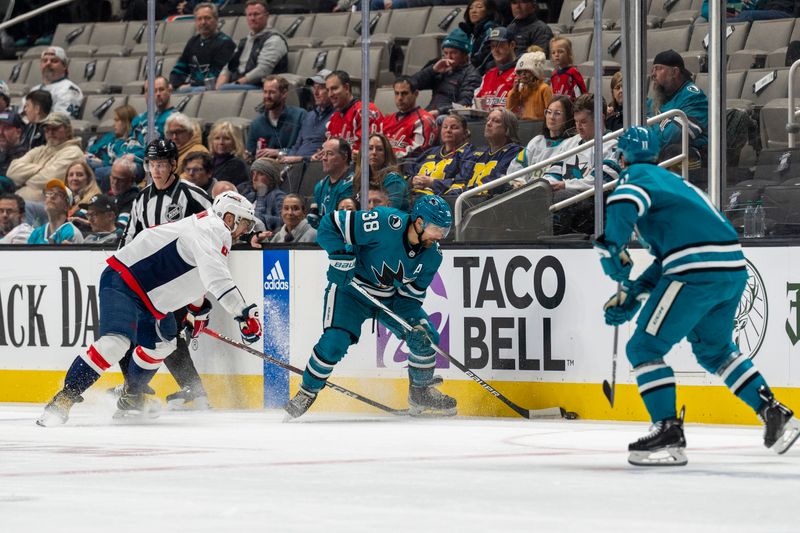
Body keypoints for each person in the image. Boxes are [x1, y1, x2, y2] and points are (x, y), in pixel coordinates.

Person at [595, 125, 800, 466]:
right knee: (715, 351)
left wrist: (612, 247)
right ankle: (772, 410)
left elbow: (624, 201)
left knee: (643, 348)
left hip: (696, 273)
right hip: (731, 271)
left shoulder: (633, 178)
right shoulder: (676, 183)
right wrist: (634, 292)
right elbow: (667, 258)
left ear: (622, 156)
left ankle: (668, 431)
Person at [36, 190, 263, 426]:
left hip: (151, 301)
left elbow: (200, 276)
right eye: (245, 224)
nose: (245, 231)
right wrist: (243, 313)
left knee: (164, 343)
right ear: (230, 218)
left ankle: (132, 395)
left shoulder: (208, 230)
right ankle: (63, 400)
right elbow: (217, 278)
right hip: (124, 282)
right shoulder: (213, 229)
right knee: (115, 344)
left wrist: (196, 311)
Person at [284, 195, 457, 419]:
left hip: (391, 299)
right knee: (335, 343)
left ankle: (420, 393)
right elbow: (330, 224)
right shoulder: (385, 222)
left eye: (444, 230)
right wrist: (340, 257)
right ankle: (307, 391)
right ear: (420, 222)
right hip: (351, 292)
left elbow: (410, 299)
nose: (440, 236)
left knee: (427, 337)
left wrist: (415, 329)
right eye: (436, 229)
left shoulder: (433, 256)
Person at [120, 139, 213, 410]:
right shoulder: (141, 199)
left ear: (173, 165)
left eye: (162, 164)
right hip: (149, 279)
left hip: (182, 277)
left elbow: (218, 224)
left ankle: (191, 389)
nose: (156, 170)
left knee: (166, 331)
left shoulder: (191, 194)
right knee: (130, 329)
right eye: (152, 164)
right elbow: (128, 240)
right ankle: (135, 390)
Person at [543, 93, 619, 235]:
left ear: (600, 118)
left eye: (583, 122)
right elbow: (553, 173)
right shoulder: (570, 143)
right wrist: (545, 185)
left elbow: (600, 181)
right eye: (576, 122)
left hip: (595, 205)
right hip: (566, 200)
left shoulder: (614, 144)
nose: (578, 127)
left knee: (561, 197)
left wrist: (565, 185)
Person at [441, 108, 522, 196]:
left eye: (496, 121)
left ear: (508, 129)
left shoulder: (514, 152)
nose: (488, 123)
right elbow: (461, 180)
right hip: (465, 200)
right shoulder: (477, 153)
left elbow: (496, 180)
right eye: (488, 120)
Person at [6, 112, 84, 203]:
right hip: (22, 202)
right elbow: (11, 171)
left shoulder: (73, 153)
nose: (50, 132)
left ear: (68, 130)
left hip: (53, 208)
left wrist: (23, 179)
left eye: (55, 128)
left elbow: (49, 181)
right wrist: (41, 169)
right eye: (47, 129)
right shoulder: (40, 150)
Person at [216, 0, 288, 90]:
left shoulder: (274, 40)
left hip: (262, 87)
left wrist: (236, 84)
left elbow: (263, 71)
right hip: (238, 85)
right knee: (197, 90)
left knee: (225, 89)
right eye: (249, 15)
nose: (252, 18)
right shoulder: (244, 41)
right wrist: (216, 89)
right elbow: (228, 68)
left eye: (256, 14)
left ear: (267, 15)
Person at [647, 49, 708, 156]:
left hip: (692, 159)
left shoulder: (693, 96)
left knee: (673, 150)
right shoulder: (655, 101)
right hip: (660, 155)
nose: (653, 74)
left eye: (658, 69)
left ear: (674, 72)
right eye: (652, 70)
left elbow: (674, 136)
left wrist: (648, 136)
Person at [411, 28, 482, 118]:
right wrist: (433, 70)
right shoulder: (440, 66)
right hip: (429, 113)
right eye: (445, 53)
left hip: (449, 117)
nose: (449, 57)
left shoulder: (472, 75)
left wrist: (439, 112)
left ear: (464, 54)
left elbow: (464, 104)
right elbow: (411, 84)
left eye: (453, 53)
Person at [508, 94, 574, 186]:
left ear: (568, 117)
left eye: (557, 113)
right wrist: (519, 182)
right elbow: (517, 165)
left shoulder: (571, 144)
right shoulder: (536, 141)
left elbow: (559, 177)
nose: (551, 117)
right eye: (549, 112)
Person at [169, 2, 236, 92]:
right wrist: (173, 84)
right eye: (199, 19)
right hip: (193, 87)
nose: (203, 22)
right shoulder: (193, 42)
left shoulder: (226, 43)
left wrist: (190, 85)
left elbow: (214, 77)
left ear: (216, 20)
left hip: (211, 89)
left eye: (207, 18)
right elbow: (180, 68)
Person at [409, 113, 473, 197]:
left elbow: (463, 182)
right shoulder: (430, 152)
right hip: (412, 195)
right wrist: (412, 181)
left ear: (465, 133)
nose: (448, 130)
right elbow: (408, 173)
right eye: (445, 127)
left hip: (439, 200)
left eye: (454, 127)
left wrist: (433, 183)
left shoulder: (469, 154)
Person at [278, 69, 334, 164]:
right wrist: (286, 158)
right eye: (314, 87)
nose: (315, 93)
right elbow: (296, 146)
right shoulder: (309, 116)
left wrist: (301, 159)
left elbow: (328, 155)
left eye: (320, 88)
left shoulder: (336, 117)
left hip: (314, 167)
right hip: (296, 166)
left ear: (331, 90)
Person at [246, 75, 306, 159]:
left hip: (292, 167)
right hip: (264, 169)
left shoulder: (300, 116)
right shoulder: (256, 124)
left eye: (272, 92)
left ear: (284, 94)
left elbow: (305, 149)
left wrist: (279, 152)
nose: (267, 96)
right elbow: (250, 156)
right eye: (265, 92)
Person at [379, 76, 438, 160]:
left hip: (407, 168)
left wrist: (384, 156)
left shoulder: (424, 120)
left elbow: (418, 152)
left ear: (416, 94)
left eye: (404, 93)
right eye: (397, 93)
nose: (399, 98)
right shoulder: (387, 119)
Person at [325, 70, 383, 153]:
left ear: (346, 88)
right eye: (328, 90)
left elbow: (369, 151)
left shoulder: (365, 111)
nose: (330, 94)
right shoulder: (334, 117)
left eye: (334, 88)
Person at [353, 133, 410, 211]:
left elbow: (390, 211)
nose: (374, 153)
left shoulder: (394, 180)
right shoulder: (360, 178)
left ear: (386, 154)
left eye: (379, 149)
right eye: (370, 148)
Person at [86, 104, 139, 189]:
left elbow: (119, 162)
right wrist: (90, 156)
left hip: (106, 167)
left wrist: (102, 162)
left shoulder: (130, 142)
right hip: (94, 162)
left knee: (99, 171)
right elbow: (92, 150)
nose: (114, 124)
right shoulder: (109, 136)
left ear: (126, 122)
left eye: (117, 120)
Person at [307, 138, 354, 229]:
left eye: (329, 154)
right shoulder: (320, 186)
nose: (324, 158)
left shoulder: (351, 184)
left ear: (344, 157)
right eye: (323, 154)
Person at [25, 46, 83, 119]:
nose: (48, 63)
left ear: (64, 66)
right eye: (45, 61)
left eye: (54, 61)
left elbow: (61, 121)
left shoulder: (69, 90)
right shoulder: (34, 89)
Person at [129, 76, 176, 156]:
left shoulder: (174, 119)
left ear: (169, 90)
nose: (157, 94)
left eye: (161, 89)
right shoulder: (147, 118)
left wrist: (134, 157)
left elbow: (165, 150)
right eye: (154, 91)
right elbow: (129, 142)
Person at [27, 179, 83, 245]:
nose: (52, 196)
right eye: (49, 193)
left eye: (60, 194)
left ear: (67, 207)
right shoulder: (36, 233)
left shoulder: (72, 233)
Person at [474, 26, 517, 111]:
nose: (495, 50)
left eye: (500, 45)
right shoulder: (488, 75)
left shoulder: (522, 74)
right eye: (492, 46)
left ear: (512, 45)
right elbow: (476, 104)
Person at [239, 157, 285, 231]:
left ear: (271, 178)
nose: (255, 178)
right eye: (253, 174)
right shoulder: (249, 194)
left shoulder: (278, 196)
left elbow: (285, 221)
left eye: (260, 174)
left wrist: (255, 218)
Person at [459, 0, 501, 74]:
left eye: (479, 7)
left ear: (489, 10)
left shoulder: (491, 30)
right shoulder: (470, 31)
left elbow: (482, 59)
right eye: (471, 8)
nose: (473, 11)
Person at [506, 50, 551, 120]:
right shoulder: (521, 89)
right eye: (520, 72)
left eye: (526, 71)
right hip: (524, 124)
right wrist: (514, 90)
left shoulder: (544, 88)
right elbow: (509, 108)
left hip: (539, 124)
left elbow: (550, 111)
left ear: (535, 72)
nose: (523, 74)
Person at [165, 113, 209, 178]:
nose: (174, 137)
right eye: (171, 133)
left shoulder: (199, 152)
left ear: (190, 133)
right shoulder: (165, 152)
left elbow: (189, 179)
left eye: (179, 132)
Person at [207, 120, 249, 186]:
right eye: (217, 138)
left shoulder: (237, 164)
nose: (221, 142)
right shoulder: (209, 160)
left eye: (226, 139)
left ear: (235, 142)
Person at [65, 160, 102, 233]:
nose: (74, 178)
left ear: (89, 179)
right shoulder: (67, 201)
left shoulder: (95, 199)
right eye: (71, 175)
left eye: (79, 175)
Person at [550, 37, 587, 101]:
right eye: (553, 52)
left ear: (569, 54)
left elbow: (583, 94)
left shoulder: (573, 72)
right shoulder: (554, 74)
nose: (556, 55)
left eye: (560, 51)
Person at [108, 158, 140, 234]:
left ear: (131, 180)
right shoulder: (110, 196)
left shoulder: (134, 200)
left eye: (120, 180)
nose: (115, 183)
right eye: (113, 178)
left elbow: (120, 228)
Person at [0, 111, 27, 176]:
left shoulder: (23, 158)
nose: (0, 132)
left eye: (6, 128)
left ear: (18, 133)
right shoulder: (3, 151)